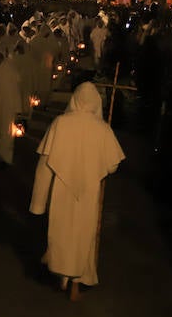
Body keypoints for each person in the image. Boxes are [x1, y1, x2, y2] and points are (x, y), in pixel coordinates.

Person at [29, 81, 125, 301]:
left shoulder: (61, 123)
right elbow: (112, 165)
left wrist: (38, 203)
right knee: (83, 234)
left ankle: (63, 277)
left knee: (62, 232)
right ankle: (75, 282)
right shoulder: (102, 128)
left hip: (61, 190)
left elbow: (45, 163)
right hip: (88, 192)